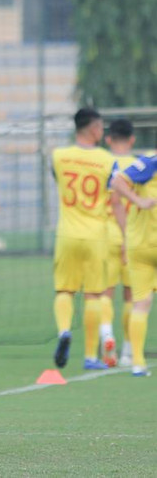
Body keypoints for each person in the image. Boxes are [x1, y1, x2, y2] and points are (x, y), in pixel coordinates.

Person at [49, 108, 117, 370]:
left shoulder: (59, 155)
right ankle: (90, 357)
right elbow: (112, 195)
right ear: (93, 128)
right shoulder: (106, 160)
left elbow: (58, 180)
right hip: (96, 235)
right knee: (93, 295)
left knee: (64, 290)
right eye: (101, 127)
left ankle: (64, 331)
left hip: (67, 233)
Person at [110, 154, 157, 377]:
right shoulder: (150, 163)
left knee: (141, 303)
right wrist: (139, 201)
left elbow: (117, 182)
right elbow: (116, 181)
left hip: (138, 245)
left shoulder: (148, 164)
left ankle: (137, 363)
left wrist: (137, 201)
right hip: (145, 245)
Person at [101, 119, 137, 367]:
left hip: (104, 235)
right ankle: (127, 351)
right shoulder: (140, 165)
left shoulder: (102, 163)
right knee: (131, 296)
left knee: (104, 293)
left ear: (108, 139)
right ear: (132, 139)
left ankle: (106, 337)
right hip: (133, 236)